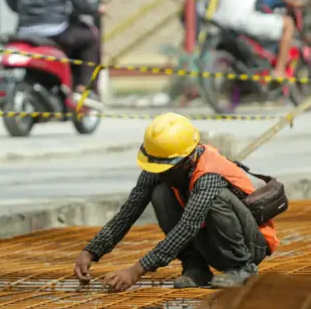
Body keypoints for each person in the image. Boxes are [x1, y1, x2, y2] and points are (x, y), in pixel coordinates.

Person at [73, 113, 279, 292]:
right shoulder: (159, 167)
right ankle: (195, 267)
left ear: (188, 159)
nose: (160, 172)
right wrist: (91, 251)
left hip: (250, 245)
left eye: (166, 167)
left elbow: (187, 227)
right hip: (211, 242)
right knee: (160, 193)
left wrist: (136, 271)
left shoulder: (209, 174)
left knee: (216, 200)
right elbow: (128, 212)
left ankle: (241, 269)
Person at [4, 0, 104, 99]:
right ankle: (83, 88)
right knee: (90, 37)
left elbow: (11, 3)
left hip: (25, 32)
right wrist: (97, 8)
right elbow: (81, 5)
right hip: (56, 31)